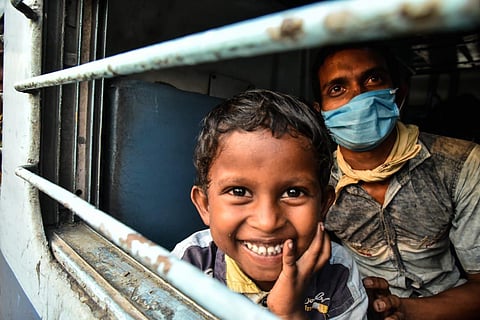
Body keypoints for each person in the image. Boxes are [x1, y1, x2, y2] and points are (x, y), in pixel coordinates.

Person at [312, 43, 480, 320]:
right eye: (337, 89)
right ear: (321, 111)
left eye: (372, 79)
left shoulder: (460, 164)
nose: (358, 97)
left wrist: (405, 309)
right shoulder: (318, 179)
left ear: (400, 93)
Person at [172, 89, 368, 319]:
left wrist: (290, 314)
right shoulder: (190, 263)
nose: (267, 222)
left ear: (323, 205)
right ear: (205, 205)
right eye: (239, 191)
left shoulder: (338, 273)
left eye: (293, 193)